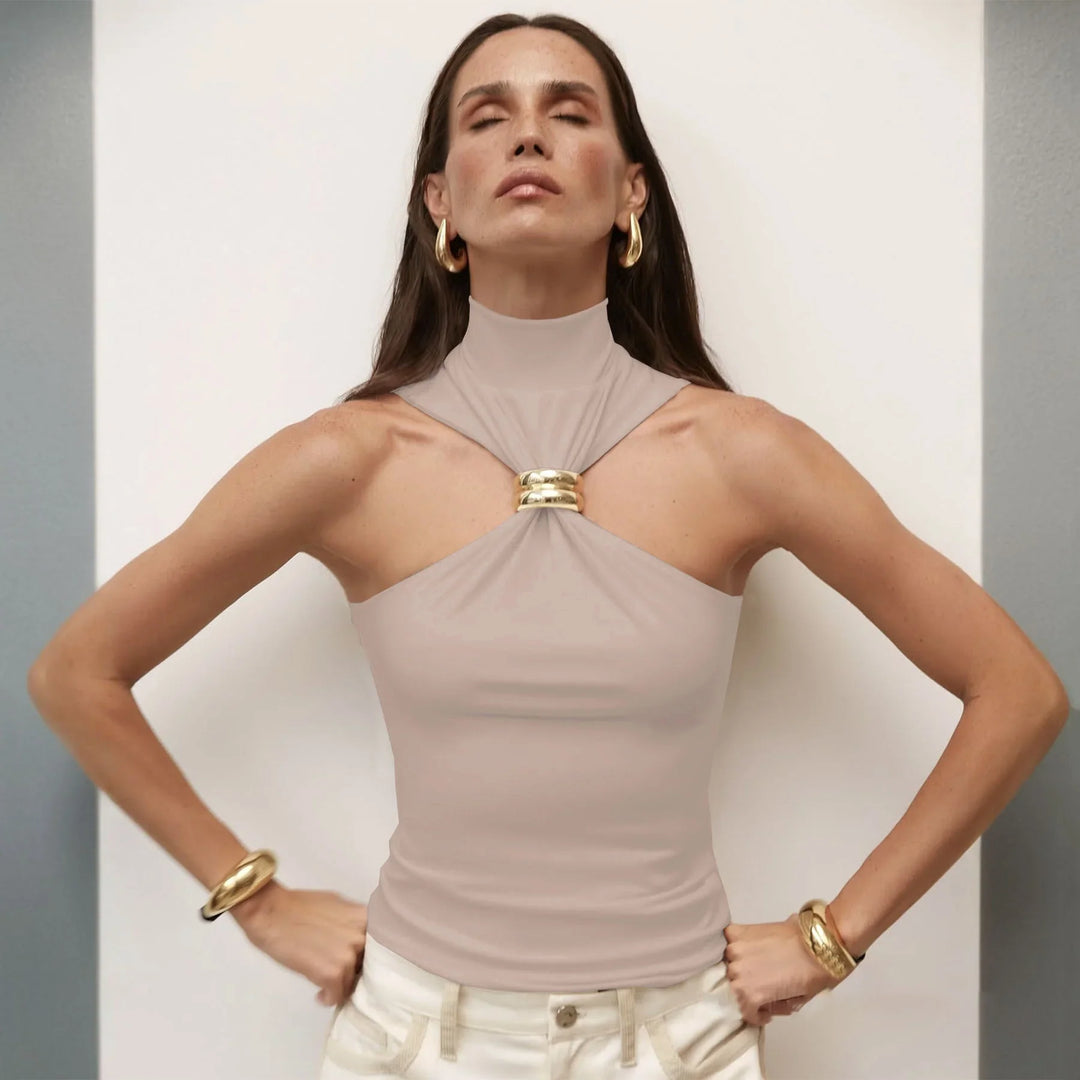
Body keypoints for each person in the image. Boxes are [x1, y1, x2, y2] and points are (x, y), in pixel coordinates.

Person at [27, 13, 1069, 1080]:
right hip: (411, 1041)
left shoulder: (743, 454)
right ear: (440, 200)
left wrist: (831, 937)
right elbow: (78, 672)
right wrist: (254, 895)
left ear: (631, 192)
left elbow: (1017, 692)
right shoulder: (348, 460)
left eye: (570, 113)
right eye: (490, 117)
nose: (529, 137)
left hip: (677, 1045)